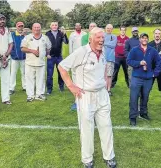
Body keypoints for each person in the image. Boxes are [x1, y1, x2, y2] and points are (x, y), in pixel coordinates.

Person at [58, 27, 117, 168]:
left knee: (106, 126)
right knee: (86, 129)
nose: (101, 40)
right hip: (85, 96)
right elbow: (62, 66)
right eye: (98, 37)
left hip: (102, 95)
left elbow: (103, 70)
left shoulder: (103, 52)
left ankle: (109, 157)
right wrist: (72, 86)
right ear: (91, 38)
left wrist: (102, 84)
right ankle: (87, 159)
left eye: (102, 37)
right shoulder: (82, 52)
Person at [127, 33, 161, 126]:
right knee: (134, 98)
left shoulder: (152, 50)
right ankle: (133, 117)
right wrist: (139, 63)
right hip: (136, 77)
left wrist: (155, 73)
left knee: (145, 97)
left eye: (146, 38)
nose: (144, 40)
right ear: (140, 39)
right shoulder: (134, 50)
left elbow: (159, 61)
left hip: (148, 78)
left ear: (147, 39)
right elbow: (129, 60)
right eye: (143, 38)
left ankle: (143, 113)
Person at [70, 22, 97, 111]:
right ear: (88, 28)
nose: (92, 28)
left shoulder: (99, 36)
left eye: (94, 26)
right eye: (91, 26)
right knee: (78, 81)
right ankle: (77, 101)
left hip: (94, 61)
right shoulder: (85, 37)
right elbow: (87, 48)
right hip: (83, 60)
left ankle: (92, 102)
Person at [21, 23, 52, 102]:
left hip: (41, 63)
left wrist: (46, 54)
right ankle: (30, 95)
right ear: (32, 28)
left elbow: (48, 48)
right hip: (29, 63)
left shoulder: (45, 38)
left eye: (38, 27)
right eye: (35, 27)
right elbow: (22, 49)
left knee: (41, 79)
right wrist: (32, 51)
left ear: (40, 28)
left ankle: (40, 94)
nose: (36, 29)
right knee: (29, 79)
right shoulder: (27, 37)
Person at [45, 22, 68, 94]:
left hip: (59, 57)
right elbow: (44, 45)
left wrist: (64, 34)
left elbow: (66, 42)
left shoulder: (61, 33)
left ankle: (61, 87)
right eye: (53, 25)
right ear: (50, 26)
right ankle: (49, 89)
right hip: (50, 57)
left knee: (61, 73)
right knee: (49, 74)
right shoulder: (47, 34)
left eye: (56, 25)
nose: (54, 26)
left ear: (58, 26)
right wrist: (47, 54)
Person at [9, 22, 26, 95]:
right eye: (19, 26)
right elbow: (10, 45)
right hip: (14, 58)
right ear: (16, 27)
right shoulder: (12, 35)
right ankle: (11, 88)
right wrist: (12, 54)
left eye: (22, 26)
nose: (20, 28)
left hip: (24, 57)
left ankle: (25, 86)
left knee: (24, 73)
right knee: (13, 73)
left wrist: (25, 35)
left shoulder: (26, 35)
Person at [104, 24, 117, 96]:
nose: (109, 29)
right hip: (102, 58)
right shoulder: (102, 35)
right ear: (105, 28)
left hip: (110, 58)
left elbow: (113, 45)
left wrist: (104, 43)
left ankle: (108, 89)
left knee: (109, 74)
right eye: (107, 28)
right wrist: (107, 44)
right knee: (103, 75)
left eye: (110, 28)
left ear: (112, 29)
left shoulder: (114, 36)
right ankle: (103, 89)